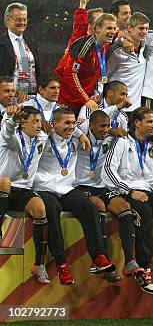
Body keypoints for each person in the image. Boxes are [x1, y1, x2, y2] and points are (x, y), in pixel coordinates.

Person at [102, 107, 153, 294]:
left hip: (148, 192)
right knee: (144, 212)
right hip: (123, 192)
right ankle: (144, 267)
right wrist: (129, 191)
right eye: (148, 122)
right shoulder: (122, 142)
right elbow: (108, 170)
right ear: (136, 123)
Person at [33, 107, 118, 283]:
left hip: (67, 188)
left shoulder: (75, 139)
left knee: (89, 207)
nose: (71, 127)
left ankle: (98, 257)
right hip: (44, 188)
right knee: (53, 210)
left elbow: (92, 123)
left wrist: (79, 133)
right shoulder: (42, 138)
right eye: (66, 123)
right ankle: (61, 263)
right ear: (54, 124)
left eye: (73, 123)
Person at [0, 106, 71, 284]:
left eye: (40, 121)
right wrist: (11, 121)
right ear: (23, 124)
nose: (39, 125)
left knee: (40, 208)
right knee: (4, 181)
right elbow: (8, 131)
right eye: (34, 121)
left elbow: (66, 131)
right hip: (4, 188)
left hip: (23, 190)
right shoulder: (11, 139)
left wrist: (81, 134)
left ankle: (39, 264)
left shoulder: (41, 139)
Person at [74, 110, 136, 283]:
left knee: (124, 208)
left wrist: (110, 131)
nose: (106, 130)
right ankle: (102, 260)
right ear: (91, 125)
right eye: (101, 126)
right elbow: (74, 126)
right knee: (98, 205)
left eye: (108, 126)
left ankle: (130, 261)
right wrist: (83, 133)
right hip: (81, 186)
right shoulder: (79, 137)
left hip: (102, 187)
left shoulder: (111, 140)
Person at [57, 13, 118, 112]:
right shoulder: (85, 46)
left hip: (85, 100)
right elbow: (70, 73)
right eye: (109, 28)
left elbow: (121, 32)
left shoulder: (106, 44)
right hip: (67, 99)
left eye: (114, 29)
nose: (113, 32)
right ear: (98, 29)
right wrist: (85, 99)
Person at [106, 12, 150, 112]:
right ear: (130, 28)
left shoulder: (145, 48)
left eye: (146, 29)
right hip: (117, 107)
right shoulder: (116, 51)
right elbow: (102, 76)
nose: (145, 32)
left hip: (135, 108)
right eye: (141, 28)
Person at [0, 2, 40, 99]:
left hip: (33, 96)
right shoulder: (1, 43)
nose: (22, 23)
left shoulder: (32, 43)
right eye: (18, 19)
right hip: (10, 97)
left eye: (24, 19)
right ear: (7, 21)